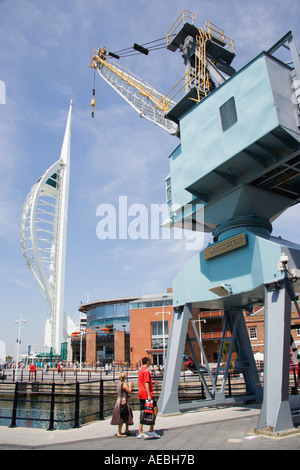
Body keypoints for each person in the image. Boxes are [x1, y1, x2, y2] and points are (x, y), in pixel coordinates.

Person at [137, 356, 160, 439]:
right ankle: (151, 430)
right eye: (149, 361)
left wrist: (152, 383)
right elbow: (146, 383)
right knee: (155, 409)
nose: (150, 363)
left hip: (141, 394)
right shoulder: (146, 371)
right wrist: (149, 395)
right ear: (147, 362)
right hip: (147, 394)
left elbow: (144, 382)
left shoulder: (140, 370)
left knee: (142, 411)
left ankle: (140, 431)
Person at [110, 372, 134, 437]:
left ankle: (126, 430)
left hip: (118, 401)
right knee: (123, 416)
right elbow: (129, 391)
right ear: (124, 377)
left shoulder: (118, 384)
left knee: (126, 415)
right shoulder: (124, 384)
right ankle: (119, 432)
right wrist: (130, 385)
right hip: (124, 402)